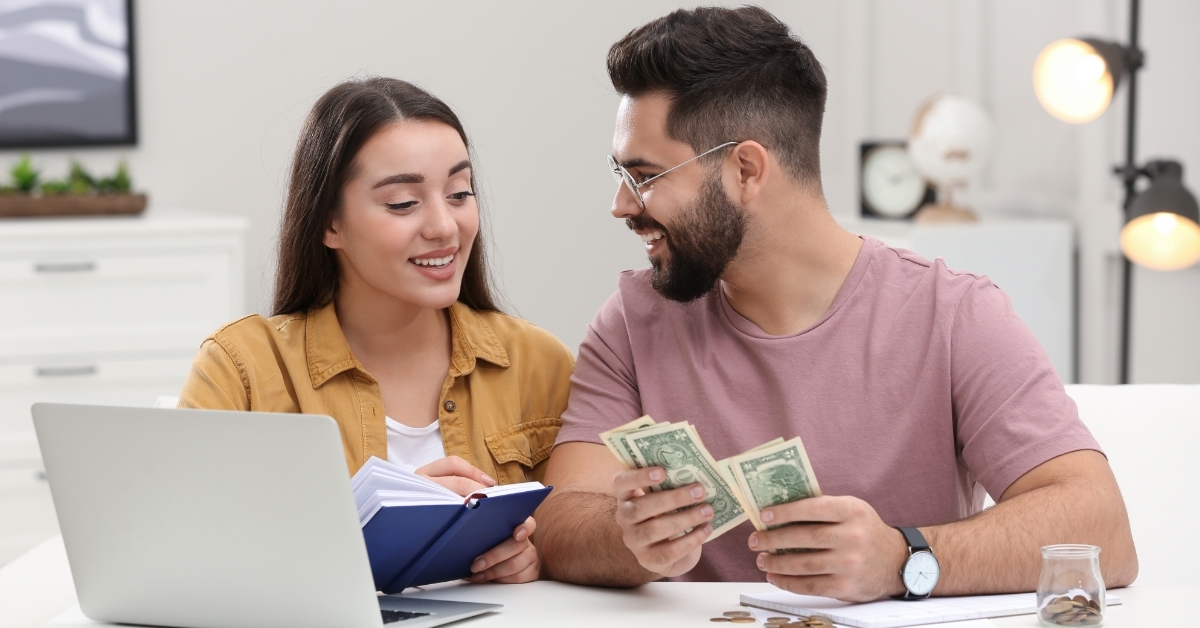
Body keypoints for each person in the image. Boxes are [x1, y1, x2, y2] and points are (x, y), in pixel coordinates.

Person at [535, 7, 1137, 601]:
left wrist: (903, 559)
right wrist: (625, 539)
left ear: (745, 169)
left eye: (643, 175)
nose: (620, 204)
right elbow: (556, 522)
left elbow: (1103, 532)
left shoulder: (954, 315)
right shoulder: (633, 321)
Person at [179, 77, 574, 585]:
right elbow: (187, 561)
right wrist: (365, 524)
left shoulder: (540, 363)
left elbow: (577, 532)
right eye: (403, 204)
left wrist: (538, 562)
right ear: (330, 224)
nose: (445, 227)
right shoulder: (241, 368)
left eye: (459, 193)